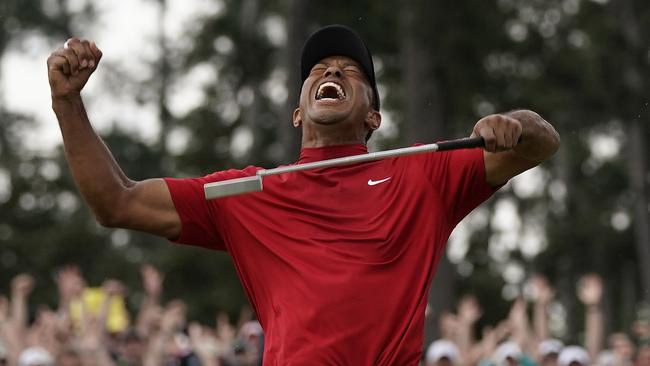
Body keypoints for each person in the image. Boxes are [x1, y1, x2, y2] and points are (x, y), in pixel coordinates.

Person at [46, 24, 560, 365]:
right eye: (317, 70)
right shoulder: (248, 192)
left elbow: (541, 141)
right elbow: (116, 202)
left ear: (373, 117)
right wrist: (68, 104)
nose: (332, 72)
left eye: (350, 71)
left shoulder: (421, 175)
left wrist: (512, 124)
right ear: (298, 112)